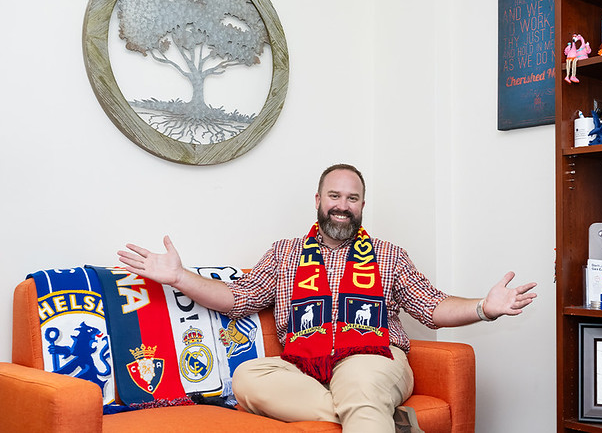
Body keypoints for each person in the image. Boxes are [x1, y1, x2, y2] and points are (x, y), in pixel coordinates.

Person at [118, 163, 538, 432]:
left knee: (358, 382)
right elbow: (235, 298)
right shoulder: (284, 253)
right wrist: (178, 276)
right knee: (248, 378)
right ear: (318, 201)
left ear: (362, 206)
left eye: (352, 198)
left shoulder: (388, 255)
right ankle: (383, 420)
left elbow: (431, 306)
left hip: (374, 355)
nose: (342, 206)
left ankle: (366, 406)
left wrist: (484, 308)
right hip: (302, 365)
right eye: (334, 196)